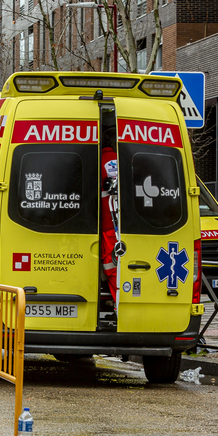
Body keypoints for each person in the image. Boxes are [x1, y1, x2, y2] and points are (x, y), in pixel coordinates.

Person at [99, 124, 120, 307]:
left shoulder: (98, 162)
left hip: (107, 220)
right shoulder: (122, 160)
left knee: (110, 264)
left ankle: (118, 301)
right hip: (122, 220)